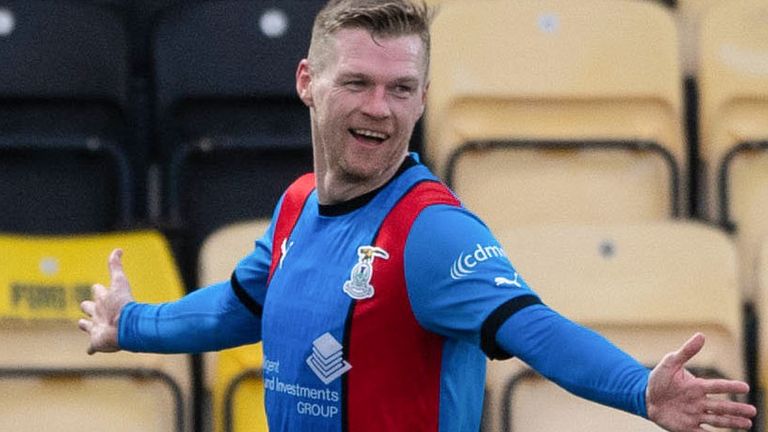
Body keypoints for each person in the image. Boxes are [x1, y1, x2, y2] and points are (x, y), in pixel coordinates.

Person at [79, 0, 757, 431]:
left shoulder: (432, 231)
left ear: (424, 98)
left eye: (401, 88)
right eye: (357, 83)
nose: (380, 108)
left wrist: (639, 389)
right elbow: (239, 307)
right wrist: (130, 324)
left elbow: (536, 329)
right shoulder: (295, 206)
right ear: (307, 82)